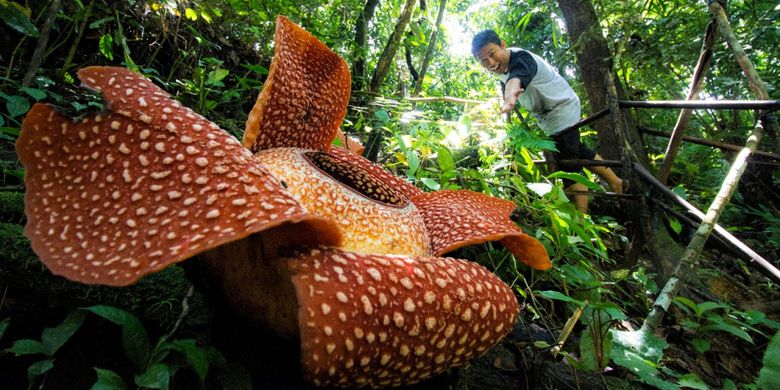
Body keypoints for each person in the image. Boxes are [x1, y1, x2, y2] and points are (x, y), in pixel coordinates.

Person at [471, 29, 624, 212]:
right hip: (548, 116)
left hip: (561, 109)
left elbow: (516, 80)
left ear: (503, 45)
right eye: (483, 61)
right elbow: (510, 84)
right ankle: (617, 183)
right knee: (578, 151)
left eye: (492, 54)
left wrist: (509, 99)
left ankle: (582, 223)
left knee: (568, 167)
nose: (491, 63)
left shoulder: (521, 59)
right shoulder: (502, 72)